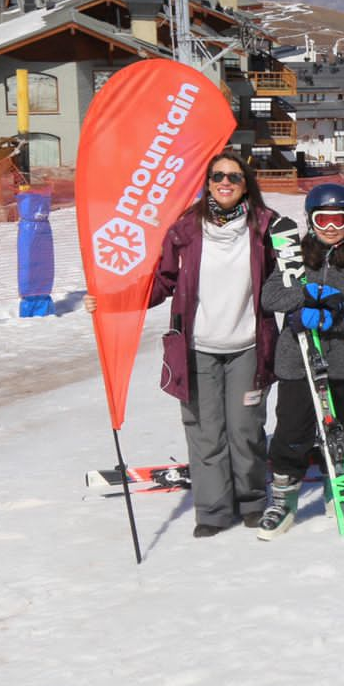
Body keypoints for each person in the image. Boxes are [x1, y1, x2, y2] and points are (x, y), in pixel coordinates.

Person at [97, 152, 280, 538]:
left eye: (233, 176)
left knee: (245, 429)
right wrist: (115, 300)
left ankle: (251, 501)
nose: (225, 183)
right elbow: (161, 282)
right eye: (217, 177)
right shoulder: (185, 231)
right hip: (197, 350)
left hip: (248, 347)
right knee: (204, 432)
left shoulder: (266, 227)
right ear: (208, 183)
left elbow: (291, 276)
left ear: (246, 183)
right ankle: (213, 510)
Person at [254, 183, 344, 540]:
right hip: (298, 360)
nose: (330, 226)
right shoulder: (294, 258)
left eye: (338, 218)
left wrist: (332, 319)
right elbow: (270, 295)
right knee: (292, 429)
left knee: (341, 428)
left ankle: (335, 487)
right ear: (310, 220)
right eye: (322, 219)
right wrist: (301, 301)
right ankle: (284, 499)